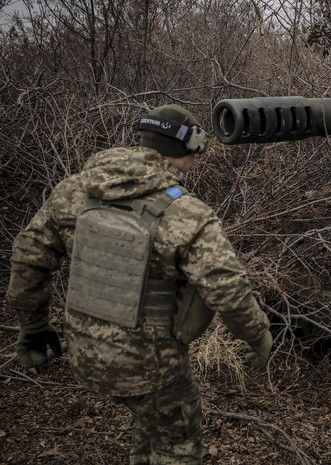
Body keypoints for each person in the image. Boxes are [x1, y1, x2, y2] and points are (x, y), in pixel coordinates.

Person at [7, 104, 274, 464]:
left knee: (148, 422)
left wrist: (34, 325)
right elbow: (228, 289)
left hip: (85, 352)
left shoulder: (75, 190)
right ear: (188, 150)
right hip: (152, 365)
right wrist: (258, 335)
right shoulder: (186, 213)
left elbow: (28, 255)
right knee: (177, 440)